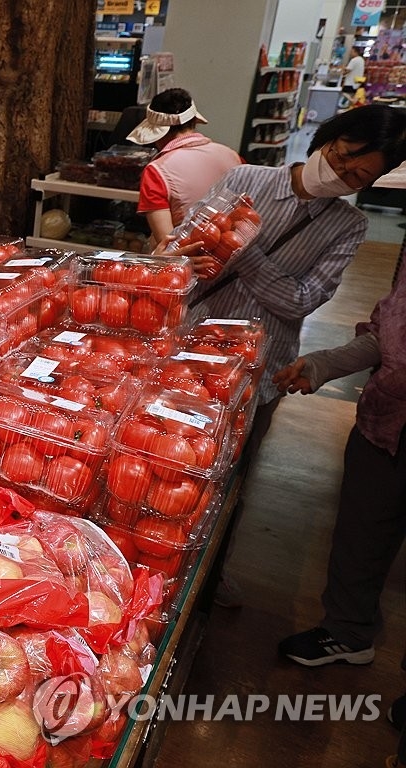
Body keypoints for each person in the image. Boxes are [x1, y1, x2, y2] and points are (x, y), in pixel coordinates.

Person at [167, 105, 406, 606]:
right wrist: (180, 252)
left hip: (257, 371)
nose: (341, 173)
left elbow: (301, 300)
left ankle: (210, 572)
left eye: (358, 176)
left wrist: (243, 247)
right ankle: (164, 564)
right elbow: (183, 249)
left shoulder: (347, 226)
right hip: (188, 348)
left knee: (229, 476)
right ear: (328, 138)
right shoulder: (245, 179)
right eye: (341, 156)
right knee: (169, 457)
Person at [274, 241, 406, 667]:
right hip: (385, 420)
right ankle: (348, 631)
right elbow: (388, 334)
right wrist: (324, 365)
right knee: (361, 531)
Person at [128, 88, 242, 244]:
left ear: (158, 133)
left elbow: (167, 243)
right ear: (194, 121)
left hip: (189, 255)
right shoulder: (234, 157)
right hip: (237, 250)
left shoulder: (156, 171)